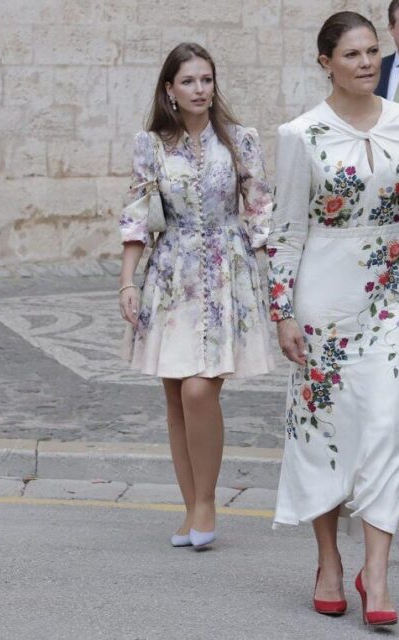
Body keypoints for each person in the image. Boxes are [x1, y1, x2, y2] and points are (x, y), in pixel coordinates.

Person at [268, 11, 399, 627]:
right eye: (352, 54)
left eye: (373, 51)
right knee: (323, 434)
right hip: (322, 302)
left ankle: (377, 573)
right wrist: (284, 314)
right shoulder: (300, 135)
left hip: (390, 301)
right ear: (326, 63)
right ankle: (328, 563)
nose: (368, 62)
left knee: (387, 427)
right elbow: (286, 232)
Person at [117, 42, 275, 550]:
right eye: (189, 81)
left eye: (206, 80)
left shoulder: (241, 141)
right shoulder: (151, 146)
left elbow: (260, 212)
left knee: (198, 390)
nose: (200, 89)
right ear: (170, 89)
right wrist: (127, 281)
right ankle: (189, 510)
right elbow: (137, 215)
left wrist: (276, 282)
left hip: (227, 274)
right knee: (175, 397)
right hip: (170, 276)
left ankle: (206, 503)